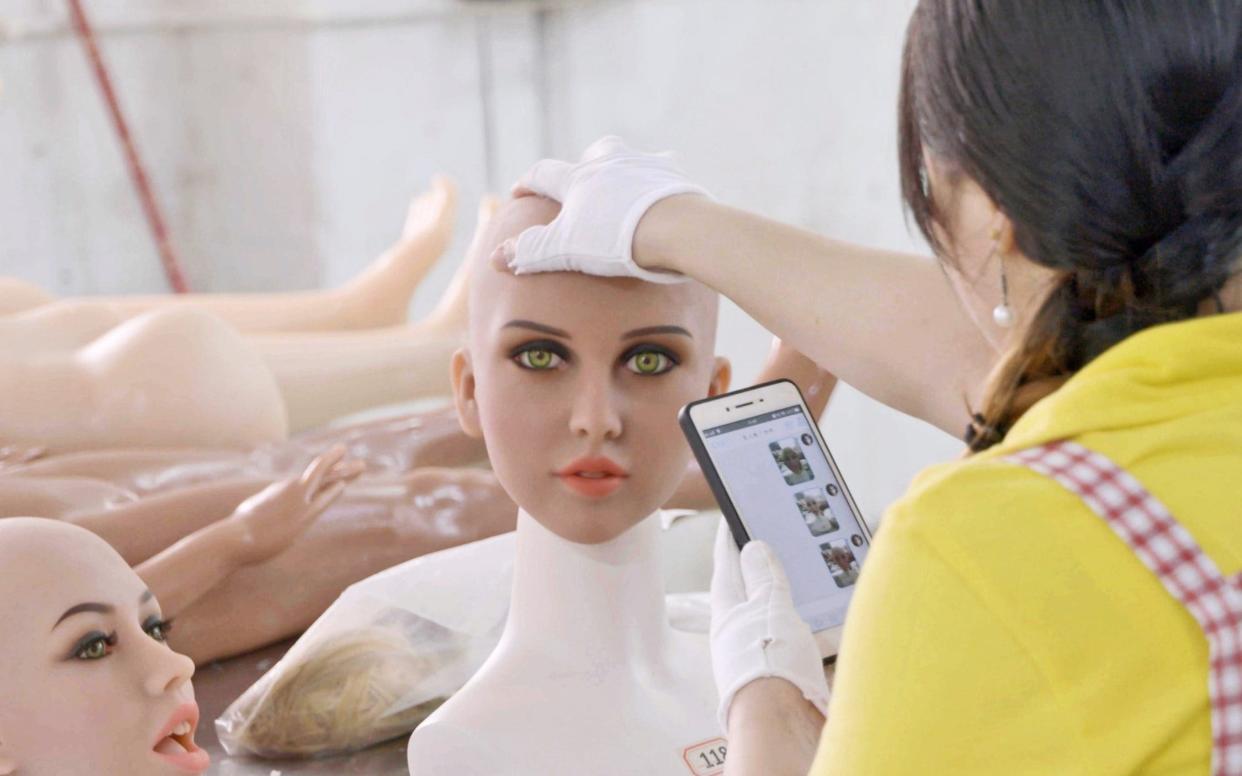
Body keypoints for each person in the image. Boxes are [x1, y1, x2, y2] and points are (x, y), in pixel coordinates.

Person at [495, 1, 1242, 773]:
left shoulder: (981, 555)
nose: (594, 419)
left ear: (989, 211)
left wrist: (768, 721)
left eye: (648, 360)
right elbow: (1081, 336)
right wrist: (674, 225)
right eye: (538, 357)